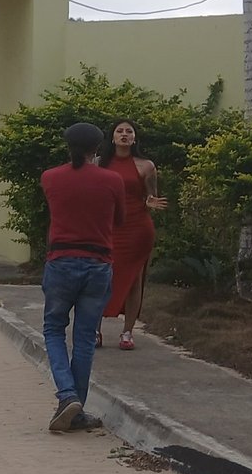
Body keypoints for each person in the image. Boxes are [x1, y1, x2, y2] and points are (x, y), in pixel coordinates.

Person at [39, 122, 125, 433]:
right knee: (85, 338)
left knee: (53, 329)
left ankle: (67, 395)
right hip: (98, 264)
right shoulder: (112, 180)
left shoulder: (50, 177)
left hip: (61, 261)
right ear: (98, 149)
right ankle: (76, 410)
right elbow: (120, 219)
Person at [101, 119, 167, 350]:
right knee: (101, 277)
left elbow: (151, 196)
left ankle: (127, 332)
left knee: (133, 280)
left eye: (129, 131)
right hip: (107, 228)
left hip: (137, 227)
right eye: (119, 131)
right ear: (112, 136)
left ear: (135, 138)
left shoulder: (146, 166)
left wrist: (150, 202)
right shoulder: (99, 164)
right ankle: (94, 330)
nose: (124, 134)